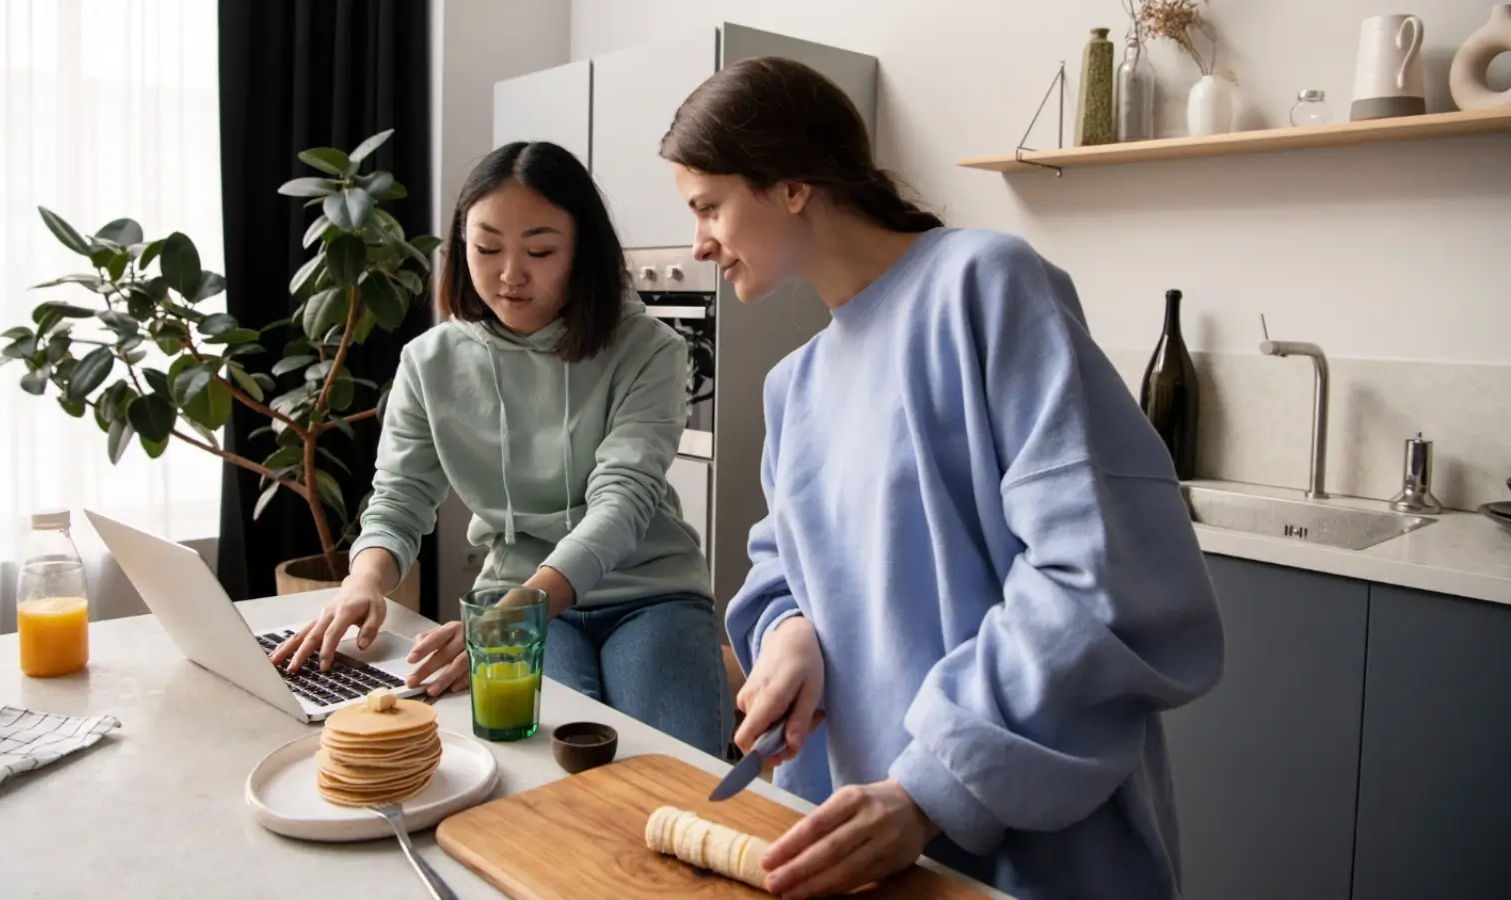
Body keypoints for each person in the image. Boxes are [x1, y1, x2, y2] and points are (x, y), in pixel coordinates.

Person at [662, 57, 1225, 900]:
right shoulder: (796, 384)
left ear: (791, 186)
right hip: (860, 846)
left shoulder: (987, 287)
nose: (699, 242)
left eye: (709, 205)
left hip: (1034, 849)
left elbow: (1094, 576)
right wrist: (790, 635)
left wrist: (930, 788)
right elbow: (788, 569)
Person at [271, 140, 730, 758]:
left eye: (540, 251)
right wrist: (365, 579)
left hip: (646, 592)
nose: (510, 274)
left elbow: (623, 501)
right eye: (486, 248)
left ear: (581, 252)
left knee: (679, 768)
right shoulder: (429, 362)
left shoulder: (649, 350)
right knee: (536, 762)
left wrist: (514, 616)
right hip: (510, 595)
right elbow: (401, 496)